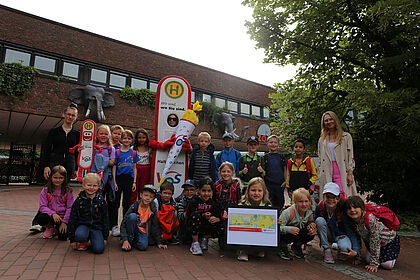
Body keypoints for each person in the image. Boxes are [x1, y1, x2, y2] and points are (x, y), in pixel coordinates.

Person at [31, 104, 79, 233]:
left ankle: (60, 221)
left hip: (69, 166)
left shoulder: (77, 134)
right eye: (68, 114)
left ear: (76, 118)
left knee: (64, 192)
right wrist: (46, 165)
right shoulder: (54, 131)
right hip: (54, 164)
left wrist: (76, 168)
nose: (70, 117)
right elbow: (46, 149)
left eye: (73, 115)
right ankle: (38, 221)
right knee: (49, 192)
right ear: (63, 115)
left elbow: (77, 153)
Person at [343, 196, 400, 272]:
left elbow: (375, 240)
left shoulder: (370, 219)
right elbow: (357, 238)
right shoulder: (352, 221)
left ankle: (390, 257)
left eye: (355, 207)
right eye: (349, 208)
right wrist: (358, 257)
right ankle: (376, 256)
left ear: (362, 209)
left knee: (387, 265)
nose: (352, 210)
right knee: (367, 260)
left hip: (387, 242)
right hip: (371, 242)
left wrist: (374, 264)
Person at [236, 177, 281, 261]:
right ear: (248, 191)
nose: (256, 193)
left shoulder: (268, 208)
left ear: (264, 192)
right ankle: (243, 250)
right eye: (253, 190)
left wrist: (276, 222)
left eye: (259, 191)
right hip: (246, 236)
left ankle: (260, 248)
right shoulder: (241, 206)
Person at [314, 182, 360, 264]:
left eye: (334, 197)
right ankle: (326, 249)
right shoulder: (320, 207)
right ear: (323, 196)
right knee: (319, 220)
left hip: (341, 235)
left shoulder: (342, 210)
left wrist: (356, 252)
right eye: (328, 197)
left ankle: (340, 248)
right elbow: (315, 222)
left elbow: (351, 232)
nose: (331, 200)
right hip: (328, 233)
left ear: (338, 198)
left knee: (345, 248)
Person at [318, 111, 356, 198]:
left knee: (343, 196)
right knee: (329, 197)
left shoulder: (346, 137)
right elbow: (320, 158)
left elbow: (351, 157)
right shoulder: (321, 140)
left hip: (341, 169)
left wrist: (350, 173)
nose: (329, 122)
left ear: (335, 120)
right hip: (327, 170)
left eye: (331, 119)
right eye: (326, 120)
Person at [67, 173, 109, 253]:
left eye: (94, 186)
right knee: (80, 236)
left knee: (99, 249)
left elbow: (105, 219)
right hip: (83, 225)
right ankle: (83, 240)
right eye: (89, 185)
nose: (91, 188)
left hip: (97, 227)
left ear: (98, 186)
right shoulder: (79, 201)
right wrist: (72, 239)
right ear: (83, 185)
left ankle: (94, 238)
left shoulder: (101, 201)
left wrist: (105, 237)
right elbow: (72, 219)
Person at [120, 185, 167, 251]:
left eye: (151, 197)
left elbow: (155, 225)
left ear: (153, 198)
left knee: (143, 246)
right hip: (132, 229)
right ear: (141, 195)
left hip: (142, 231)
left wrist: (159, 242)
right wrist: (125, 239)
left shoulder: (152, 209)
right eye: (146, 195)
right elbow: (124, 223)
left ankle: (133, 242)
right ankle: (128, 241)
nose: (148, 198)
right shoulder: (135, 206)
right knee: (132, 216)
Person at [112, 129, 139, 237]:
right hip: (119, 179)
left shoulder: (133, 153)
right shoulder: (117, 151)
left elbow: (135, 167)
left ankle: (125, 224)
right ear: (121, 139)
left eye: (129, 138)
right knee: (116, 203)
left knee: (126, 203)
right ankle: (115, 226)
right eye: (124, 138)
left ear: (131, 140)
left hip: (129, 179)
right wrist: (114, 181)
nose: (126, 140)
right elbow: (114, 166)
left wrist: (134, 182)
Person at [35, 165, 74, 240]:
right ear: (51, 177)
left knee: (63, 237)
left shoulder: (68, 191)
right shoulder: (46, 190)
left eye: (61, 178)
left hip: (63, 217)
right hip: (50, 216)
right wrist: (53, 214)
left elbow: (70, 207)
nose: (58, 180)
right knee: (41, 218)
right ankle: (50, 227)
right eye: (55, 177)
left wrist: (64, 222)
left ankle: (58, 229)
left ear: (64, 178)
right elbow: (42, 206)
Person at [187, 176, 223, 255]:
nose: (206, 194)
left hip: (207, 227)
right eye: (203, 191)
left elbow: (218, 215)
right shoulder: (194, 201)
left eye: (209, 191)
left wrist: (217, 219)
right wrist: (202, 215)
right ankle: (195, 243)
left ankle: (205, 238)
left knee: (222, 225)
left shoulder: (213, 203)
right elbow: (189, 215)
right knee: (195, 216)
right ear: (198, 190)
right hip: (194, 228)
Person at [278, 188, 317, 260]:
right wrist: (289, 229)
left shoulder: (309, 213)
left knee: (310, 232)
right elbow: (277, 228)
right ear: (295, 202)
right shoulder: (288, 212)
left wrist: (311, 226)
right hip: (285, 234)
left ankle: (297, 245)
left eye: (306, 201)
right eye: (300, 202)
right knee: (283, 236)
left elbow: (311, 222)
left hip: (297, 233)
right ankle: (282, 246)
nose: (304, 204)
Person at [263, 135, 287, 209]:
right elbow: (263, 171)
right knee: (269, 203)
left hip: (280, 185)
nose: (273, 144)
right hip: (269, 185)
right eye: (271, 142)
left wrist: (286, 181)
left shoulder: (282, 157)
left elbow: (285, 169)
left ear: (278, 145)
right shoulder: (265, 157)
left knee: (279, 203)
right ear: (267, 144)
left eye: (275, 142)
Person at [131, 129, 152, 206]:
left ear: (146, 138)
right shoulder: (133, 148)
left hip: (146, 169)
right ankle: (132, 208)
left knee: (143, 190)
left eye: (143, 137)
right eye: (139, 137)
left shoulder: (149, 148)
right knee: (133, 191)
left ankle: (142, 208)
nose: (141, 139)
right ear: (136, 138)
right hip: (135, 169)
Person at [154, 181, 179, 245]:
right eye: (165, 193)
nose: (167, 195)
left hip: (167, 223)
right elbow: (155, 218)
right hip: (157, 222)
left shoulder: (173, 203)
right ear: (160, 193)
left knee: (175, 214)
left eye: (169, 194)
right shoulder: (156, 201)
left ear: (172, 194)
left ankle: (170, 236)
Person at [176, 179, 197, 244]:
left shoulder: (199, 200)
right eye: (187, 190)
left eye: (192, 190)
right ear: (184, 191)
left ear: (196, 191)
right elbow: (180, 216)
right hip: (186, 225)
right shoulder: (182, 201)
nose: (189, 192)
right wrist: (189, 212)